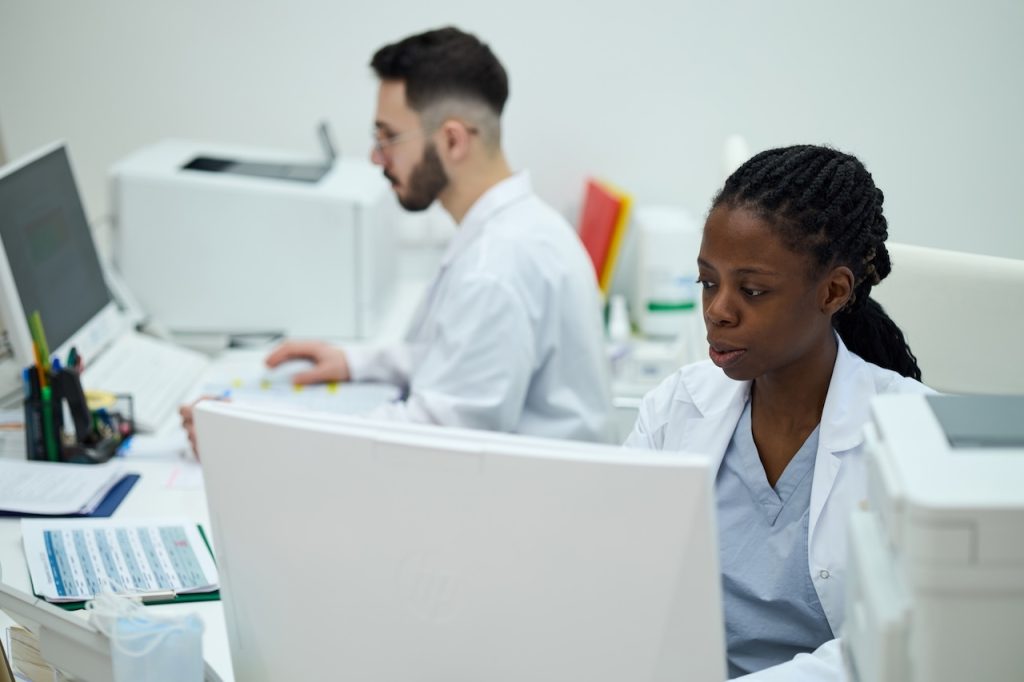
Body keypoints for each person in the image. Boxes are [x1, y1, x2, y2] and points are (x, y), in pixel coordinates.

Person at [181, 27, 614, 454]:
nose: (376, 157)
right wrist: (355, 363)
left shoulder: (496, 266)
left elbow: (433, 438)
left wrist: (253, 433)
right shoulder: (520, 228)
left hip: (527, 495)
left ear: (452, 140)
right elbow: (454, 360)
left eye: (388, 137)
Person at [624, 144, 932, 680]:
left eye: (753, 290)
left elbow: (903, 644)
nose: (718, 311)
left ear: (833, 291)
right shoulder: (676, 407)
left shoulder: (916, 439)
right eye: (708, 282)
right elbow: (616, 570)